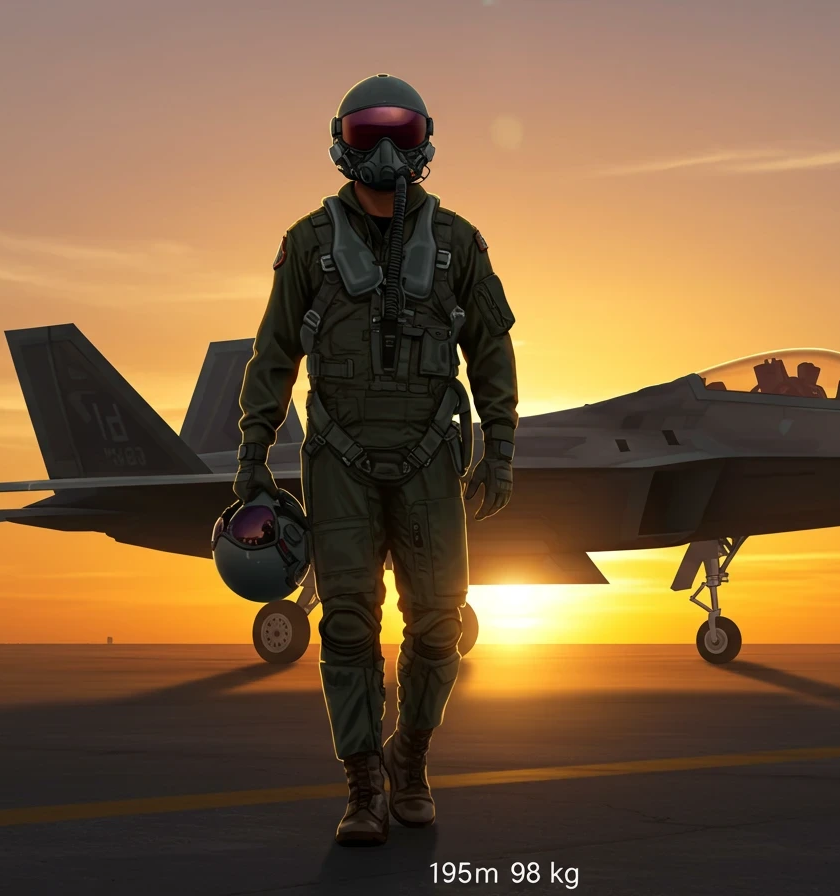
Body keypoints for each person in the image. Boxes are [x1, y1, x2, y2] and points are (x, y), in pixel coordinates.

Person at [232, 73, 518, 846]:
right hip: (340, 461)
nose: (386, 152)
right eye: (368, 135)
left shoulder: (458, 244)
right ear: (342, 141)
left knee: (438, 627)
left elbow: (491, 349)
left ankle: (411, 760)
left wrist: (500, 447)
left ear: (424, 138)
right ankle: (363, 785)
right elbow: (273, 356)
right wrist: (252, 452)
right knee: (348, 627)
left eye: (399, 132)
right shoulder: (307, 245)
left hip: (431, 459)